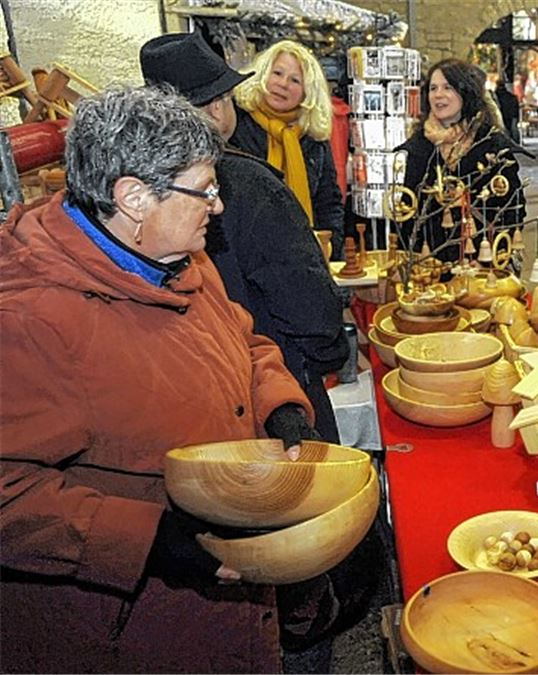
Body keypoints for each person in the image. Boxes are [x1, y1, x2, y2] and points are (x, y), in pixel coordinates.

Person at [0, 86, 319, 673]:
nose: (218, 206)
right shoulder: (30, 319)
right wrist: (145, 541)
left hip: (225, 612)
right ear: (134, 198)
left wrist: (280, 406)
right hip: (131, 633)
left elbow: (245, 344)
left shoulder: (177, 258)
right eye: (204, 191)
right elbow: (8, 496)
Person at [140, 31, 348, 445]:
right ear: (217, 106)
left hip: (196, 395)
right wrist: (332, 353)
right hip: (279, 389)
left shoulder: (139, 188)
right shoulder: (248, 183)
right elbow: (306, 298)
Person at [397, 58, 526, 266]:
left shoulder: (490, 144)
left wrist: (494, 255)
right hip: (432, 265)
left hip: (482, 264)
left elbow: (514, 208)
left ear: (466, 92)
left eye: (448, 87)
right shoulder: (420, 147)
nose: (438, 94)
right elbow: (408, 209)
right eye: (433, 88)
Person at [231, 39, 345, 259]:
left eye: (295, 80)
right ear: (262, 74)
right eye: (277, 73)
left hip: (302, 257)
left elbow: (328, 202)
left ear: (307, 93)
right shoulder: (237, 123)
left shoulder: (314, 139)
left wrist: (331, 250)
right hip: (246, 255)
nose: (283, 84)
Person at [495, 75, 521, 144]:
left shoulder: (495, 96)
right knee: (513, 129)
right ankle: (515, 144)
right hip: (512, 115)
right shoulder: (512, 97)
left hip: (501, 115)